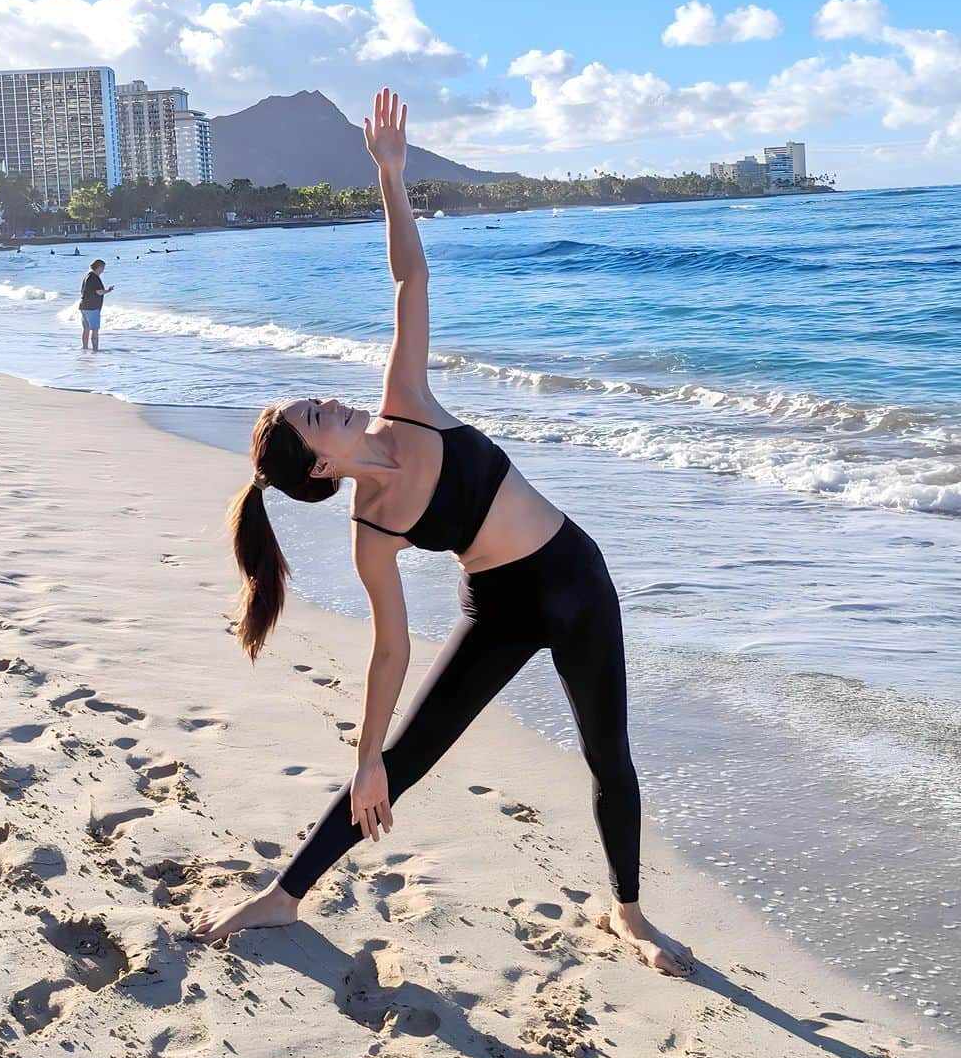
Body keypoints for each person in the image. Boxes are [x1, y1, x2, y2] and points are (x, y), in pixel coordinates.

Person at [193, 90, 692, 978]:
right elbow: (389, 654)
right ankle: (284, 895)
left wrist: (391, 179)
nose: (335, 402)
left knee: (608, 754)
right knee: (398, 762)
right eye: (319, 416)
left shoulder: (407, 404)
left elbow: (409, 282)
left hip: (575, 581)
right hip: (498, 605)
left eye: (322, 400)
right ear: (320, 467)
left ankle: (627, 911)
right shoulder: (369, 532)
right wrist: (366, 761)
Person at [78, 258, 113, 352]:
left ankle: (85, 348)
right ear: (99, 267)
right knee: (95, 330)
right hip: (92, 307)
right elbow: (98, 292)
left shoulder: (87, 276)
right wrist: (108, 291)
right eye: (103, 268)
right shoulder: (94, 277)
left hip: (84, 306)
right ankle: (95, 350)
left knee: (86, 329)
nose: (103, 270)